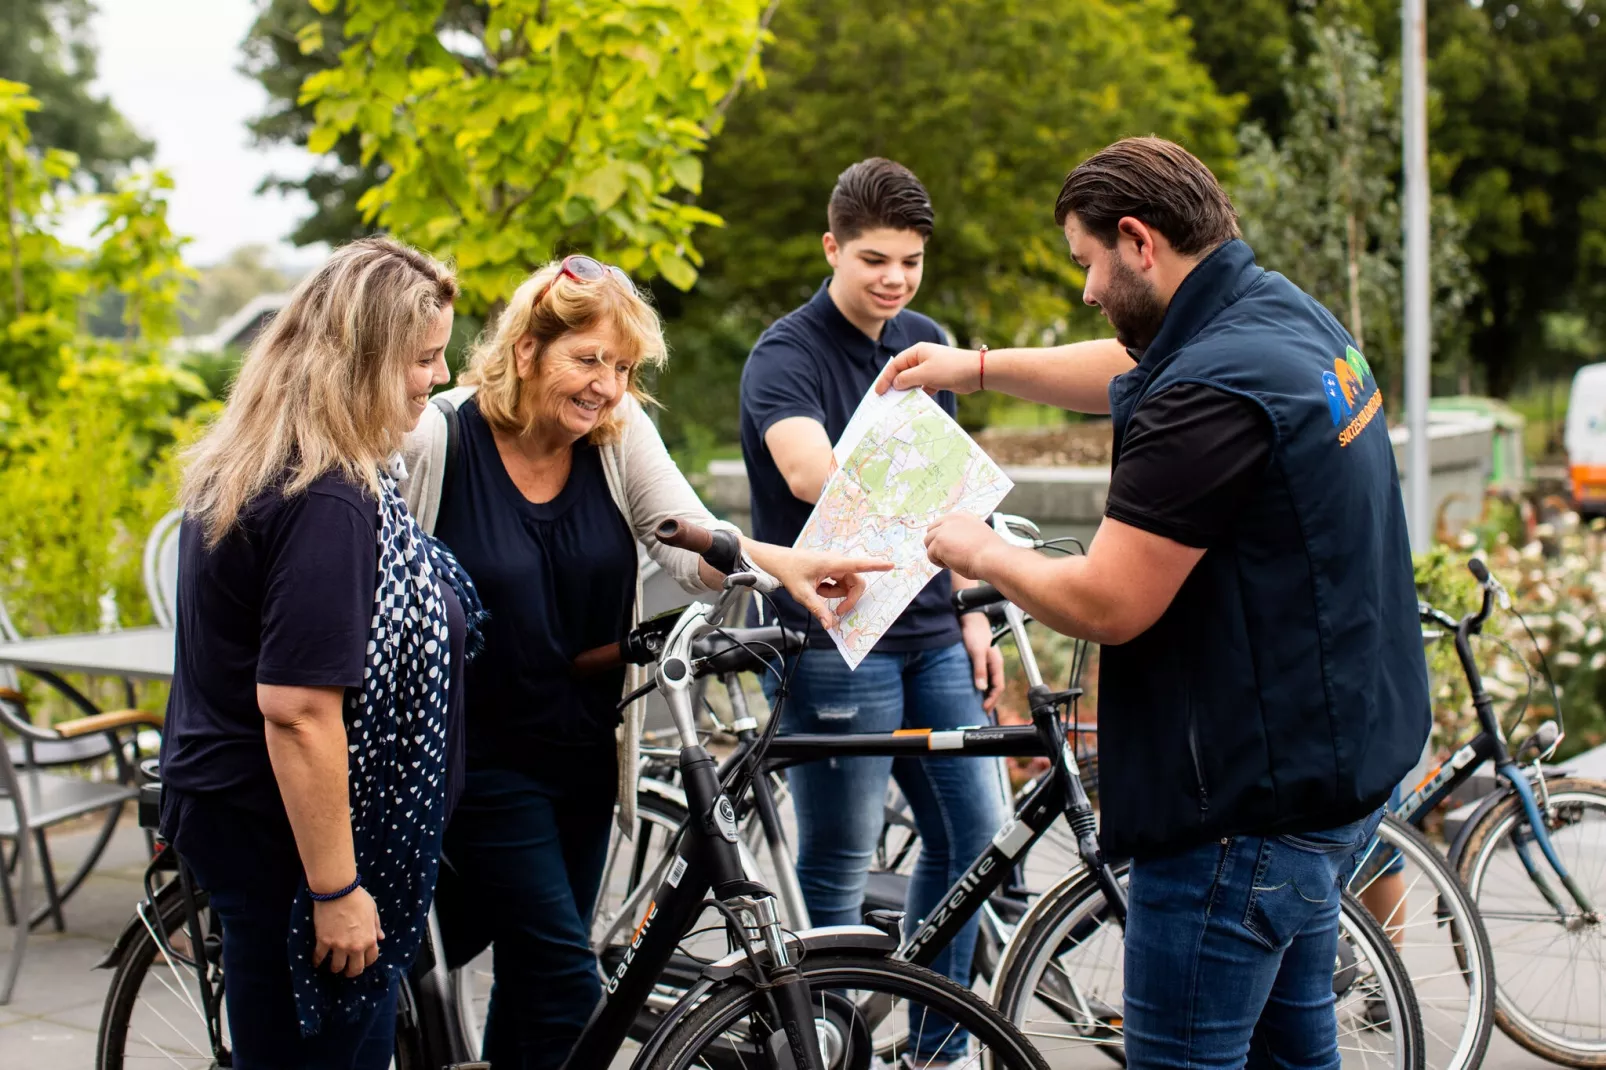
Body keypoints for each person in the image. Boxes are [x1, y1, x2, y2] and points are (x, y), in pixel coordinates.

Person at [879, 137, 1431, 1069]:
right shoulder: (1280, 317)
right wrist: (972, 369)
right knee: (1296, 1058)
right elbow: (1130, 365)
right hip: (1331, 781)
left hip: (1237, 822)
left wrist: (975, 545)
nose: (1087, 288)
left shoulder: (1209, 391)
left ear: (1138, 241)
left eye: (1088, 262)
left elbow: (1107, 599)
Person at [397, 254, 888, 1070]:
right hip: (473, 763)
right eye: (587, 359)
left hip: (585, 757)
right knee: (564, 977)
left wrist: (780, 567)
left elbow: (688, 542)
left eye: (621, 367)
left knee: (533, 991)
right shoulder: (438, 439)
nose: (607, 386)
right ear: (526, 351)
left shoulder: (617, 437)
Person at [159, 237, 481, 1069]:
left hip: (240, 818)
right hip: (286, 848)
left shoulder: (269, 458)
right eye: (423, 358)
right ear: (366, 360)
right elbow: (298, 711)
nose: (439, 378)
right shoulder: (326, 496)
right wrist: (336, 891)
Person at [738, 157, 1009, 1066]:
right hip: (834, 642)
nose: (895, 280)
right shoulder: (787, 353)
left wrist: (974, 606)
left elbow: (958, 501)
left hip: (932, 631)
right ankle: (831, 1048)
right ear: (832, 248)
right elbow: (810, 476)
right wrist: (924, 472)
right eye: (874, 260)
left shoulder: (924, 339)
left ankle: (936, 1048)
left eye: (910, 261)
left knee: (973, 838)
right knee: (841, 866)